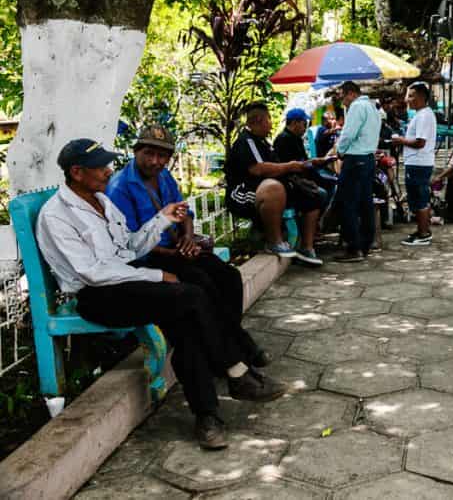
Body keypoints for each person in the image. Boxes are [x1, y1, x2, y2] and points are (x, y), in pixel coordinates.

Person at [38, 139, 287, 450]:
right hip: (95, 296)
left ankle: (208, 416)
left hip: (124, 282)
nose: (108, 170)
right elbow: (93, 272)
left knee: (186, 315)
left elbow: (128, 246)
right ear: (76, 172)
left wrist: (162, 219)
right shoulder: (57, 216)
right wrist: (157, 275)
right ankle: (236, 371)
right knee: (191, 297)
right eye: (100, 166)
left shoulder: (101, 200)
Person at [107, 123, 270, 364]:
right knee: (202, 282)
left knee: (229, 277)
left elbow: (185, 212)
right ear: (136, 151)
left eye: (162, 155)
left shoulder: (164, 176)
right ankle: (236, 347)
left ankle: (230, 340)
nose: (155, 161)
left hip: (176, 250)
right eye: (149, 154)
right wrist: (175, 252)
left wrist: (187, 237)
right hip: (148, 258)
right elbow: (130, 245)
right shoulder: (120, 187)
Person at [225, 102, 323, 265]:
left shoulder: (264, 142)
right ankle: (274, 242)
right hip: (242, 192)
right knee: (274, 188)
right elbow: (258, 169)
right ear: (258, 121)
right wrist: (290, 166)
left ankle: (306, 247)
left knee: (313, 196)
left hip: (264, 188)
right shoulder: (246, 141)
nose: (271, 125)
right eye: (269, 120)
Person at [333, 81, 382, 262]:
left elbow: (348, 133)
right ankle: (365, 244)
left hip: (355, 159)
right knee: (365, 203)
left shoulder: (357, 107)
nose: (342, 102)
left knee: (348, 203)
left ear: (351, 93)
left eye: (342, 97)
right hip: (368, 158)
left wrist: (340, 150)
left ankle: (353, 248)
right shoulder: (372, 107)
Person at [392, 81, 437, 245]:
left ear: (421, 97)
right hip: (415, 162)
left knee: (419, 198)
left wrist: (400, 140)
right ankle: (421, 230)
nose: (407, 99)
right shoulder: (419, 114)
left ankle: (423, 234)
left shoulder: (424, 115)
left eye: (411, 96)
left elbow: (420, 142)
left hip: (419, 163)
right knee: (416, 198)